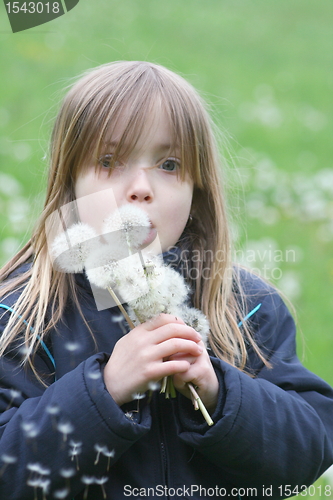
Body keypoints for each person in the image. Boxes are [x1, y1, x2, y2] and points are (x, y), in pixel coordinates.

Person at [0, 61, 332, 500]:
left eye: (169, 164)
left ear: (198, 191)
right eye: (108, 160)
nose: (140, 187)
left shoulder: (248, 307)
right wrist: (103, 391)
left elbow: (308, 451)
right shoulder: (24, 316)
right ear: (70, 185)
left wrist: (220, 391)